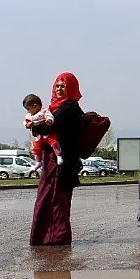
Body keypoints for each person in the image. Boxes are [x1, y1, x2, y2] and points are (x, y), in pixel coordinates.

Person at [30, 72, 85, 246]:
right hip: (50, 160)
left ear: (71, 88)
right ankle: (45, 236)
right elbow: (43, 128)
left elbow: (49, 129)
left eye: (63, 86)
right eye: (57, 86)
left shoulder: (69, 108)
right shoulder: (54, 107)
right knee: (47, 198)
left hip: (61, 162)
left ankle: (56, 237)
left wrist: (36, 126)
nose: (60, 89)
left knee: (56, 200)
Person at [23, 94, 63, 170]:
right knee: (36, 148)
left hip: (47, 133)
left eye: (28, 108)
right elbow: (25, 123)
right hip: (38, 135)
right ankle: (38, 161)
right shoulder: (29, 116)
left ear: (35, 106)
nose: (28, 111)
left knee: (54, 142)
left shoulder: (44, 111)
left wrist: (49, 120)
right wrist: (28, 124)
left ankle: (59, 155)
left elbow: (49, 116)